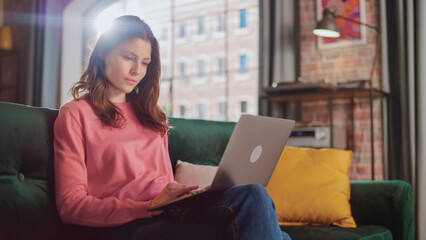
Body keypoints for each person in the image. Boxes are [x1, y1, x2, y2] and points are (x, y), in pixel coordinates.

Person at [54, 15, 291, 240]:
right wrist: (147, 206)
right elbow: (70, 205)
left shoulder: (152, 116)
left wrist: (190, 194)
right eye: (128, 57)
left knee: (253, 194)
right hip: (128, 225)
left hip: (174, 212)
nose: (137, 70)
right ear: (103, 52)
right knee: (271, 234)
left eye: (145, 62)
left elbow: (164, 183)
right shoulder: (76, 114)